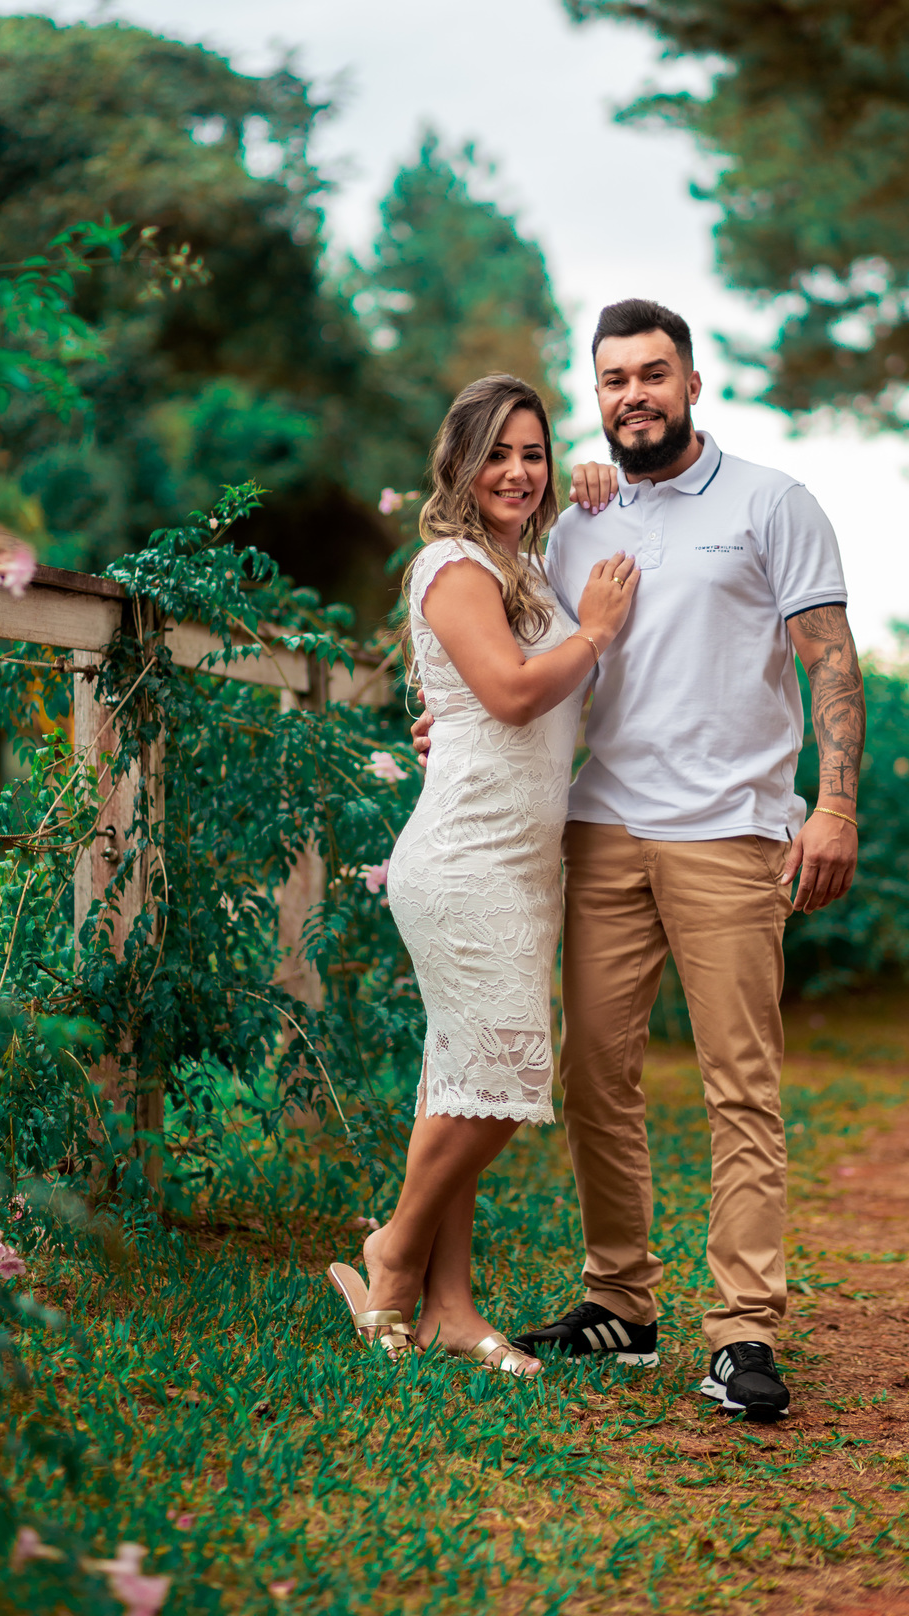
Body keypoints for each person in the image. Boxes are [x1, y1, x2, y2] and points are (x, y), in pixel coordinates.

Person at [414, 299, 865, 1421]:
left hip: (732, 831)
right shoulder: (573, 524)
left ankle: (743, 1330)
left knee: (738, 1083)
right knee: (593, 1077)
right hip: (602, 828)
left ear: (693, 383)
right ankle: (619, 1299)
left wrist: (835, 806)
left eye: (654, 374)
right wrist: (453, 726)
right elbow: (529, 665)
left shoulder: (772, 502)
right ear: (599, 394)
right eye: (614, 379)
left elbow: (830, 659)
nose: (635, 396)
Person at [327, 373, 639, 1375]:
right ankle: (393, 1250)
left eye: (532, 453)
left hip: (522, 860)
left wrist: (594, 480)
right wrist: (596, 631)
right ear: (458, 466)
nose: (517, 471)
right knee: (506, 1078)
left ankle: (451, 1310)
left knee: (462, 1078)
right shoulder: (453, 563)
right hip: (465, 858)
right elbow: (508, 693)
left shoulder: (529, 570)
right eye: (496, 453)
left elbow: (497, 702)